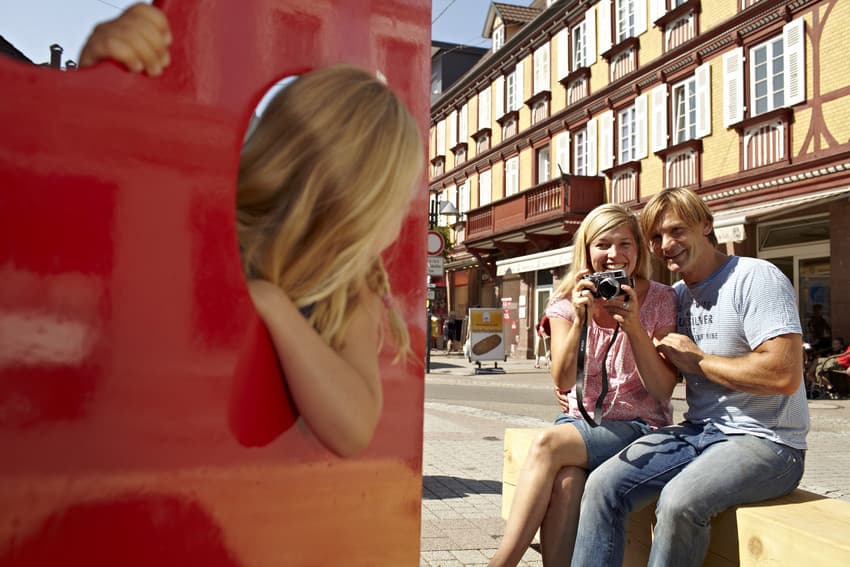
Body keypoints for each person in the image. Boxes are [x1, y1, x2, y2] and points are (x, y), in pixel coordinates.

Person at [79, 4, 424, 457]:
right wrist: (100, 70)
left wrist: (271, 304)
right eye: (396, 205)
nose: (401, 226)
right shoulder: (210, 233)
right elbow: (92, 199)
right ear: (355, 210)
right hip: (138, 446)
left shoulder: (350, 293)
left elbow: (353, 428)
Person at [570, 187, 809, 567]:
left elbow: (783, 375)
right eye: (656, 237)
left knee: (679, 501)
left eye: (677, 231)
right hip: (699, 431)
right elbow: (651, 379)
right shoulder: (674, 295)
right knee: (602, 485)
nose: (667, 245)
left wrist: (698, 360)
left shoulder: (754, 277)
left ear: (706, 225)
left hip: (769, 442)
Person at [488, 204, 677, 567]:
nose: (614, 255)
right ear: (587, 250)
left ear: (638, 249)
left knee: (546, 444)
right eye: (603, 244)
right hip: (582, 427)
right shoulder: (565, 300)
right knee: (567, 484)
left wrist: (634, 325)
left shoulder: (660, 298)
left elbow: (663, 390)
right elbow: (561, 379)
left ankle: (500, 563)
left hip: (641, 426)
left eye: (625, 244)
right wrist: (580, 320)